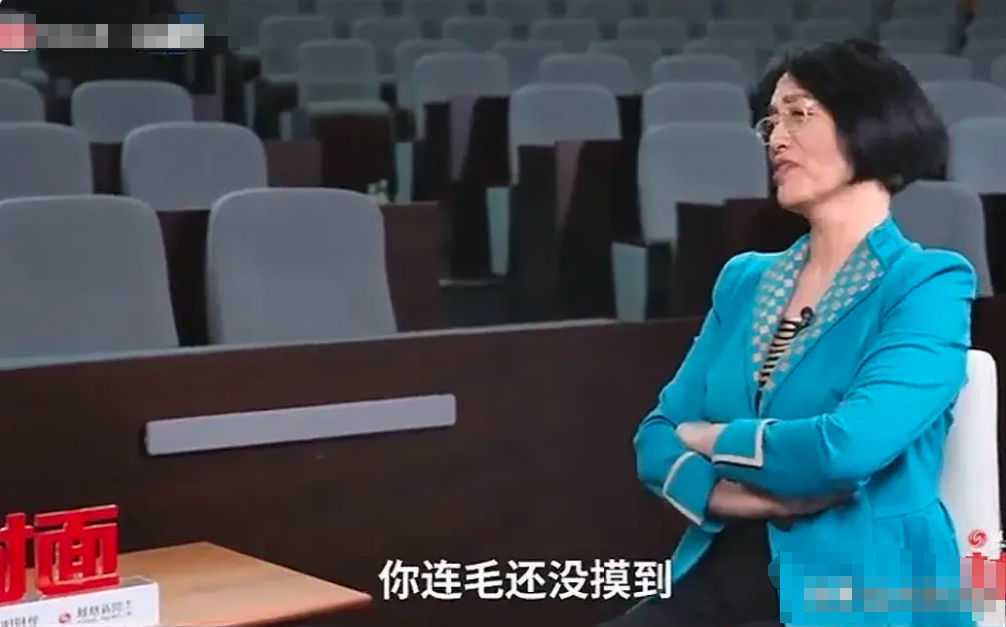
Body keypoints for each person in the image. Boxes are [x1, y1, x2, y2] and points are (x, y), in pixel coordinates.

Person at [601, 38, 976, 627]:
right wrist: (736, 498)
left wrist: (712, 438)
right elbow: (656, 436)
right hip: (729, 563)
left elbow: (845, 449)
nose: (776, 137)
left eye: (799, 114)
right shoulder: (745, 280)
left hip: (861, 583)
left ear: (869, 122)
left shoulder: (927, 282)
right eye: (771, 121)